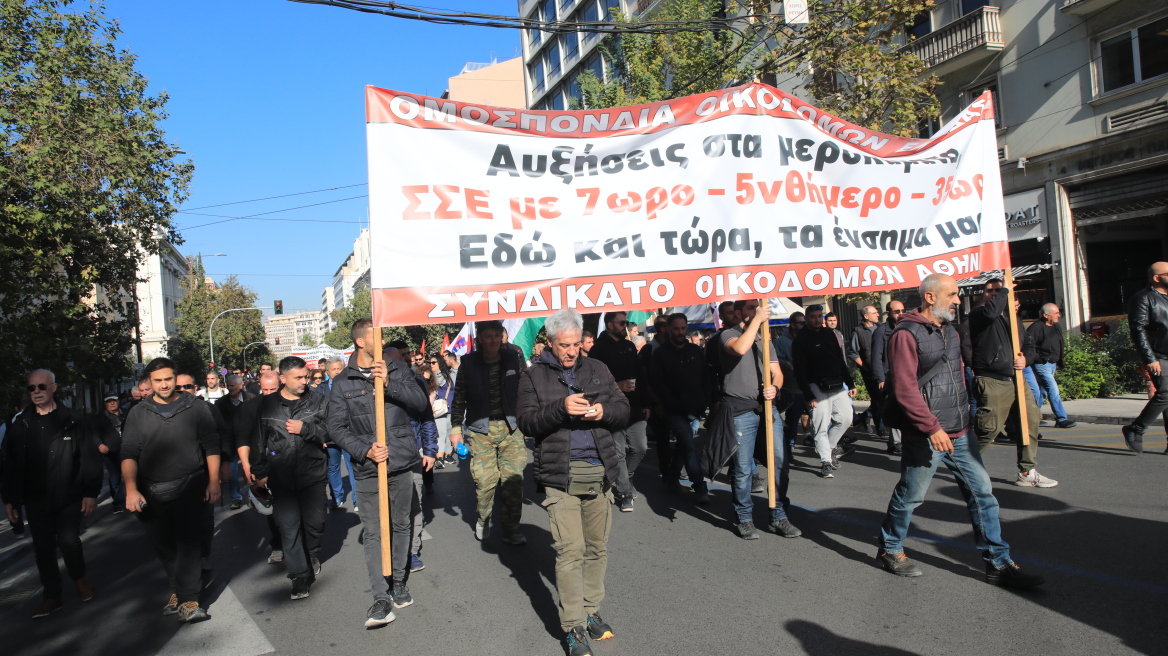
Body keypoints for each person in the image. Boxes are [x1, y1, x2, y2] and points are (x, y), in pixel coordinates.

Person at [875, 274, 1045, 589]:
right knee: (911, 496)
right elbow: (904, 388)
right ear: (929, 297)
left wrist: (1018, 358)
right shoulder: (906, 334)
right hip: (926, 433)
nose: (957, 300)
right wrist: (931, 427)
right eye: (952, 295)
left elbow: (966, 367)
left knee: (983, 494)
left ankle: (998, 562)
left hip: (960, 430)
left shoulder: (951, 331)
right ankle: (890, 548)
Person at [516, 309, 629, 656]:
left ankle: (591, 610)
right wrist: (561, 408)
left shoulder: (597, 368)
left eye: (576, 344)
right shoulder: (532, 376)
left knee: (596, 549)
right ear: (549, 342)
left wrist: (603, 413)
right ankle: (574, 627)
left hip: (600, 472)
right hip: (559, 476)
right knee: (570, 552)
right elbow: (526, 422)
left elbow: (623, 409)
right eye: (564, 345)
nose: (571, 351)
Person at [327, 319, 429, 627]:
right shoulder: (343, 381)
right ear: (361, 342)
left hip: (400, 461)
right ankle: (380, 595)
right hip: (367, 466)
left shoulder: (397, 370)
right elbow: (335, 427)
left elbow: (420, 403)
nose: (382, 338)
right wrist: (364, 450)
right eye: (376, 334)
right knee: (373, 531)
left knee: (401, 524)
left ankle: (399, 580)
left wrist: (390, 384)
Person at [121, 357, 221, 623]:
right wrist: (131, 489)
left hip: (191, 484)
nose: (164, 385)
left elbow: (211, 445)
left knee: (188, 543)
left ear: (175, 379)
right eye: (158, 380)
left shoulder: (196, 408)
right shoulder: (138, 413)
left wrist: (213, 481)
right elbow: (129, 452)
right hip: (151, 490)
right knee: (165, 546)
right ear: (149, 383)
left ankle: (189, 599)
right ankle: (178, 590)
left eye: (168, 379)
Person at [2, 369, 101, 618]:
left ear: (53, 388)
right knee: (43, 548)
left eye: (42, 387)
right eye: (31, 388)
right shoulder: (20, 424)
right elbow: (9, 464)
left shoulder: (72, 420)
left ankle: (79, 578)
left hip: (68, 494)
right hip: (35, 498)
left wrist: (90, 492)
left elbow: (88, 457)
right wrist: (10, 498)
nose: (36, 392)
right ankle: (52, 596)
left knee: (69, 541)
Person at [248, 356, 330, 600]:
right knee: (289, 527)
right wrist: (260, 472)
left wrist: (306, 429)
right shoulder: (267, 405)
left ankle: (312, 551)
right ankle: (299, 576)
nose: (305, 381)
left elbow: (331, 430)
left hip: (313, 473)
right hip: (280, 476)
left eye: (306, 376)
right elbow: (259, 440)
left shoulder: (318, 400)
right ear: (283, 378)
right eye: (299, 377)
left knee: (316, 522)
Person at [717, 300, 800, 539]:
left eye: (758, 307)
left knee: (780, 464)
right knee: (743, 468)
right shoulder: (728, 336)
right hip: (741, 411)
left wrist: (774, 387)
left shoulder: (765, 339)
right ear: (740, 312)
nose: (757, 310)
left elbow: (777, 373)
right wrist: (756, 321)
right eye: (752, 307)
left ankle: (779, 516)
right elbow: (740, 349)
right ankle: (744, 518)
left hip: (767, 408)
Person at [969, 280, 1057, 488]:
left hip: (1016, 379)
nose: (993, 294)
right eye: (990, 291)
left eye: (998, 290)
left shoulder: (1012, 318)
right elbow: (991, 313)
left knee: (1030, 421)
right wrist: (1005, 290)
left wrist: (1026, 358)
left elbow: (1028, 344)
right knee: (987, 430)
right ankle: (964, 464)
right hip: (993, 380)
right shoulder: (978, 314)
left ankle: (1027, 470)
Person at [449, 321, 527, 544]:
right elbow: (459, 398)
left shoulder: (513, 357)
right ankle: (483, 518)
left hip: (512, 429)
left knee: (513, 480)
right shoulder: (469, 363)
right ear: (480, 338)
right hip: (481, 430)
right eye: (488, 336)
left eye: (497, 335)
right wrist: (456, 430)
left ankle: (512, 529)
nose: (494, 340)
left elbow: (525, 388)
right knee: (485, 482)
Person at [587, 311, 647, 512]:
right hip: (612, 408)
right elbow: (592, 383)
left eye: (626, 323)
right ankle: (625, 492)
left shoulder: (629, 346)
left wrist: (645, 402)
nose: (625, 326)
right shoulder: (598, 350)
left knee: (640, 447)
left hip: (635, 407)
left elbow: (640, 374)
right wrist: (617, 386)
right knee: (618, 452)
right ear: (610, 325)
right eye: (622, 323)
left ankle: (625, 479)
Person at [651, 313, 711, 502]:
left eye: (683, 328)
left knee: (683, 446)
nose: (680, 332)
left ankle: (670, 477)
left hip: (695, 408)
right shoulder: (660, 354)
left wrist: (706, 400)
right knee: (689, 446)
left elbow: (705, 377)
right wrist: (668, 403)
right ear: (668, 329)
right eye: (676, 328)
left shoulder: (695, 351)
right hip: (674, 410)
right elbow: (657, 383)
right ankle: (700, 486)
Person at [793, 305, 856, 479]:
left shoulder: (830, 334)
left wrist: (850, 383)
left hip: (836, 383)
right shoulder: (800, 340)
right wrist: (808, 394)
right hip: (815, 385)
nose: (817, 319)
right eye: (813, 316)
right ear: (806, 318)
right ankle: (826, 461)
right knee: (820, 424)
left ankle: (829, 447)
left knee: (846, 418)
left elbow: (840, 360)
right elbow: (799, 371)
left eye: (820, 316)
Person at [234, 371, 286, 562]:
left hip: (290, 463)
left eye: (273, 389)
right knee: (272, 510)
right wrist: (246, 465)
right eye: (265, 390)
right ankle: (279, 544)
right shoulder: (251, 407)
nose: (269, 393)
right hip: (264, 465)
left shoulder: (290, 402)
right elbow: (243, 437)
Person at [1124, 262, 1168, 453]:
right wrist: (1149, 358)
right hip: (1159, 355)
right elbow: (1138, 330)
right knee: (1166, 393)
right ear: (1157, 277)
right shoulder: (1143, 298)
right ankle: (1136, 429)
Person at [1027, 303, 1076, 429]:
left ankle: (1032, 417)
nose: (1058, 315)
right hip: (1042, 365)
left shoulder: (1056, 327)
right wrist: (1039, 359)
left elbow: (1060, 343)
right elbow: (1029, 346)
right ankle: (1061, 418)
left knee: (1042, 392)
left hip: (1053, 364)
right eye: (1055, 313)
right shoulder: (1036, 327)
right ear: (1045, 315)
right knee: (1053, 390)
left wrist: (1060, 359)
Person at [870, 301, 906, 454]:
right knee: (894, 407)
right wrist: (880, 378)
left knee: (904, 408)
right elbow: (876, 357)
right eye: (897, 311)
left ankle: (895, 442)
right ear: (888, 313)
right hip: (889, 376)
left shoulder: (906, 328)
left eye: (903, 311)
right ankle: (896, 442)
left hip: (905, 375)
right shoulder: (880, 332)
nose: (901, 314)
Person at [214, 375, 254, 510]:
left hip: (248, 440)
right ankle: (235, 497)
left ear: (241, 384)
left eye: (233, 385)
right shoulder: (221, 403)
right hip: (229, 441)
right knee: (232, 470)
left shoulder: (251, 399)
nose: (230, 388)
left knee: (250, 467)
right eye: (228, 386)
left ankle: (255, 493)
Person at [321, 357, 356, 509]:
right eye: (334, 369)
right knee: (333, 467)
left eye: (339, 368)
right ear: (327, 371)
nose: (337, 371)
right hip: (329, 435)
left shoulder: (350, 386)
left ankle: (357, 500)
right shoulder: (319, 390)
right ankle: (337, 497)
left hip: (348, 432)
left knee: (352, 466)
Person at [774, 311, 807, 446]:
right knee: (792, 420)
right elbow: (775, 360)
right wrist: (785, 364)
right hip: (793, 387)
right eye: (801, 323)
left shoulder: (807, 338)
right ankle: (789, 446)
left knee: (818, 417)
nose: (805, 325)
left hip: (810, 386)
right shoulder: (781, 342)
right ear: (793, 325)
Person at [849, 305, 882, 434]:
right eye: (874, 313)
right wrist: (865, 367)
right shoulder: (858, 331)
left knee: (883, 398)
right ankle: (881, 427)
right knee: (877, 398)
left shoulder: (881, 328)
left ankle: (865, 416)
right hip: (869, 371)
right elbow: (853, 353)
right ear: (866, 316)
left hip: (883, 369)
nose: (878, 315)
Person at [95, 394, 125, 513]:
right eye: (109, 401)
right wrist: (100, 445)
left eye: (114, 401)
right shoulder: (100, 418)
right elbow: (95, 434)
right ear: (105, 404)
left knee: (133, 476)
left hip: (128, 451)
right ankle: (118, 503)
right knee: (114, 479)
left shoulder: (126, 414)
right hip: (111, 454)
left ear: (119, 401)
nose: (112, 403)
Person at [428, 354, 456, 466]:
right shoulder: (429, 377)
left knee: (449, 432)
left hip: (449, 408)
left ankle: (448, 455)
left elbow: (453, 390)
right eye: (430, 363)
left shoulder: (448, 375)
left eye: (433, 362)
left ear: (440, 363)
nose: (431, 365)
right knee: (440, 433)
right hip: (438, 409)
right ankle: (439, 457)